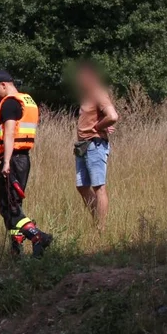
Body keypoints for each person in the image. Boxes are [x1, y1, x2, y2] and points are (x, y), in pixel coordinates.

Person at [0, 70, 53, 257]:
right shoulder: (26, 100)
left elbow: (9, 133)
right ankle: (17, 250)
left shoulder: (9, 103)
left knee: (8, 206)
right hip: (23, 159)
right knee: (12, 204)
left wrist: (6, 162)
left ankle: (38, 237)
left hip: (13, 160)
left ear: (4, 85)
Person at [73, 61, 119, 230]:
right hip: (82, 146)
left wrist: (98, 127)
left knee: (98, 186)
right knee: (82, 186)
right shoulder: (87, 95)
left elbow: (112, 115)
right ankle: (97, 220)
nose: (78, 81)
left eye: (81, 77)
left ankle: (101, 227)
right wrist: (101, 123)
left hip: (95, 144)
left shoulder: (99, 92)